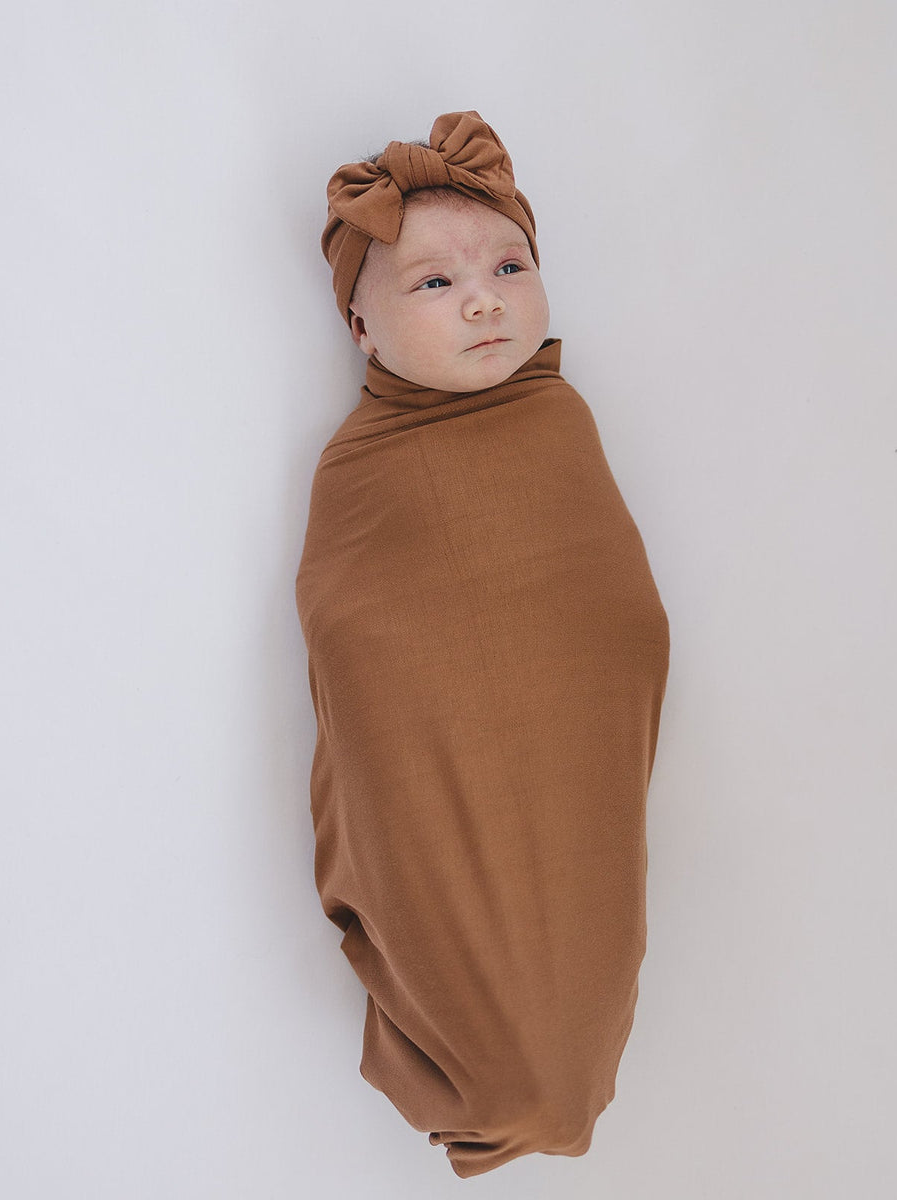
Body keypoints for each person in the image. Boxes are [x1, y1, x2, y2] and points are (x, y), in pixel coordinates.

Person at [295, 110, 669, 1178]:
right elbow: (352, 635)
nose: (484, 299)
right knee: (507, 1043)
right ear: (362, 331)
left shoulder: (560, 419)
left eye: (510, 266)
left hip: (578, 772)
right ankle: (494, 1080)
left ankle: (553, 1073)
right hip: (440, 778)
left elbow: (597, 588)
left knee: (582, 971)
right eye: (434, 282)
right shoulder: (363, 468)